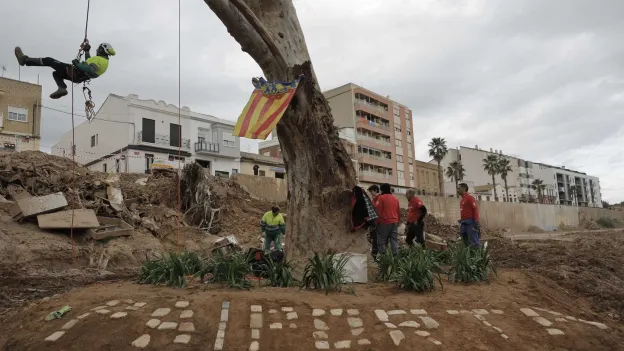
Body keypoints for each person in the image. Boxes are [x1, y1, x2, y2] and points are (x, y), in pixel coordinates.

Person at [14, 41, 116, 99]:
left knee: (50, 61)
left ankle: (25, 60)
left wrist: (77, 64)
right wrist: (87, 51)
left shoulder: (101, 60)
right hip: (78, 76)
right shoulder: (104, 62)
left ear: (102, 49)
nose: (97, 50)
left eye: (99, 48)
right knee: (56, 73)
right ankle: (62, 88)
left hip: (75, 71)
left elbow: (90, 69)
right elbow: (89, 62)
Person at [375, 183, 400, 256]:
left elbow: (378, 211)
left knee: (381, 240)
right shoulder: (395, 199)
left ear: (382, 190)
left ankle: (384, 258)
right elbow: (398, 212)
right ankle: (395, 257)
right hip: (395, 221)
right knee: (394, 240)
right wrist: (398, 222)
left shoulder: (381, 198)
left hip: (385, 222)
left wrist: (376, 222)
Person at [457, 183, 480, 247]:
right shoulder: (462, 200)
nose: (457, 190)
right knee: (464, 239)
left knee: (473, 240)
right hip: (464, 222)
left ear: (463, 189)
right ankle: (468, 255)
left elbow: (475, 209)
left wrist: (477, 221)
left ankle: (476, 255)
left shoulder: (470, 198)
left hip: (471, 223)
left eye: (459, 188)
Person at [367, 184, 381, 257]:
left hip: (380, 223)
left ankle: (376, 254)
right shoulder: (373, 200)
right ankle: (374, 254)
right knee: (374, 239)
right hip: (374, 223)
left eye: (371, 191)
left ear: (375, 190)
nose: (370, 193)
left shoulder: (380, 198)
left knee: (378, 239)